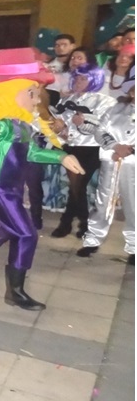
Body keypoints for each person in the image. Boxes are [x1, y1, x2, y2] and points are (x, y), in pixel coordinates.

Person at [0, 48, 84, 310]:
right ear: (7, 94)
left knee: (4, 228)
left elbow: (34, 152)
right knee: (27, 234)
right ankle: (15, 292)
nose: (37, 99)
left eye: (36, 93)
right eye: (31, 93)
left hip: (11, 188)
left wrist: (61, 157)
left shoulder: (21, 126)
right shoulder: (1, 126)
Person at [48, 63, 118, 239]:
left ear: (94, 80)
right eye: (77, 78)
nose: (79, 81)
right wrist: (59, 127)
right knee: (76, 186)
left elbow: (107, 126)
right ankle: (81, 223)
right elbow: (60, 121)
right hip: (70, 146)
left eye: (84, 78)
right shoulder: (66, 100)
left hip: (92, 148)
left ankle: (73, 222)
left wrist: (86, 122)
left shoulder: (104, 101)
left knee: (77, 185)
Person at [78, 69, 134, 262]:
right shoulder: (116, 109)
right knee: (103, 201)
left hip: (133, 165)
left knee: (133, 205)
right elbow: (100, 130)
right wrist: (115, 146)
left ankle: (134, 247)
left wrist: (130, 150)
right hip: (112, 160)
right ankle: (92, 240)